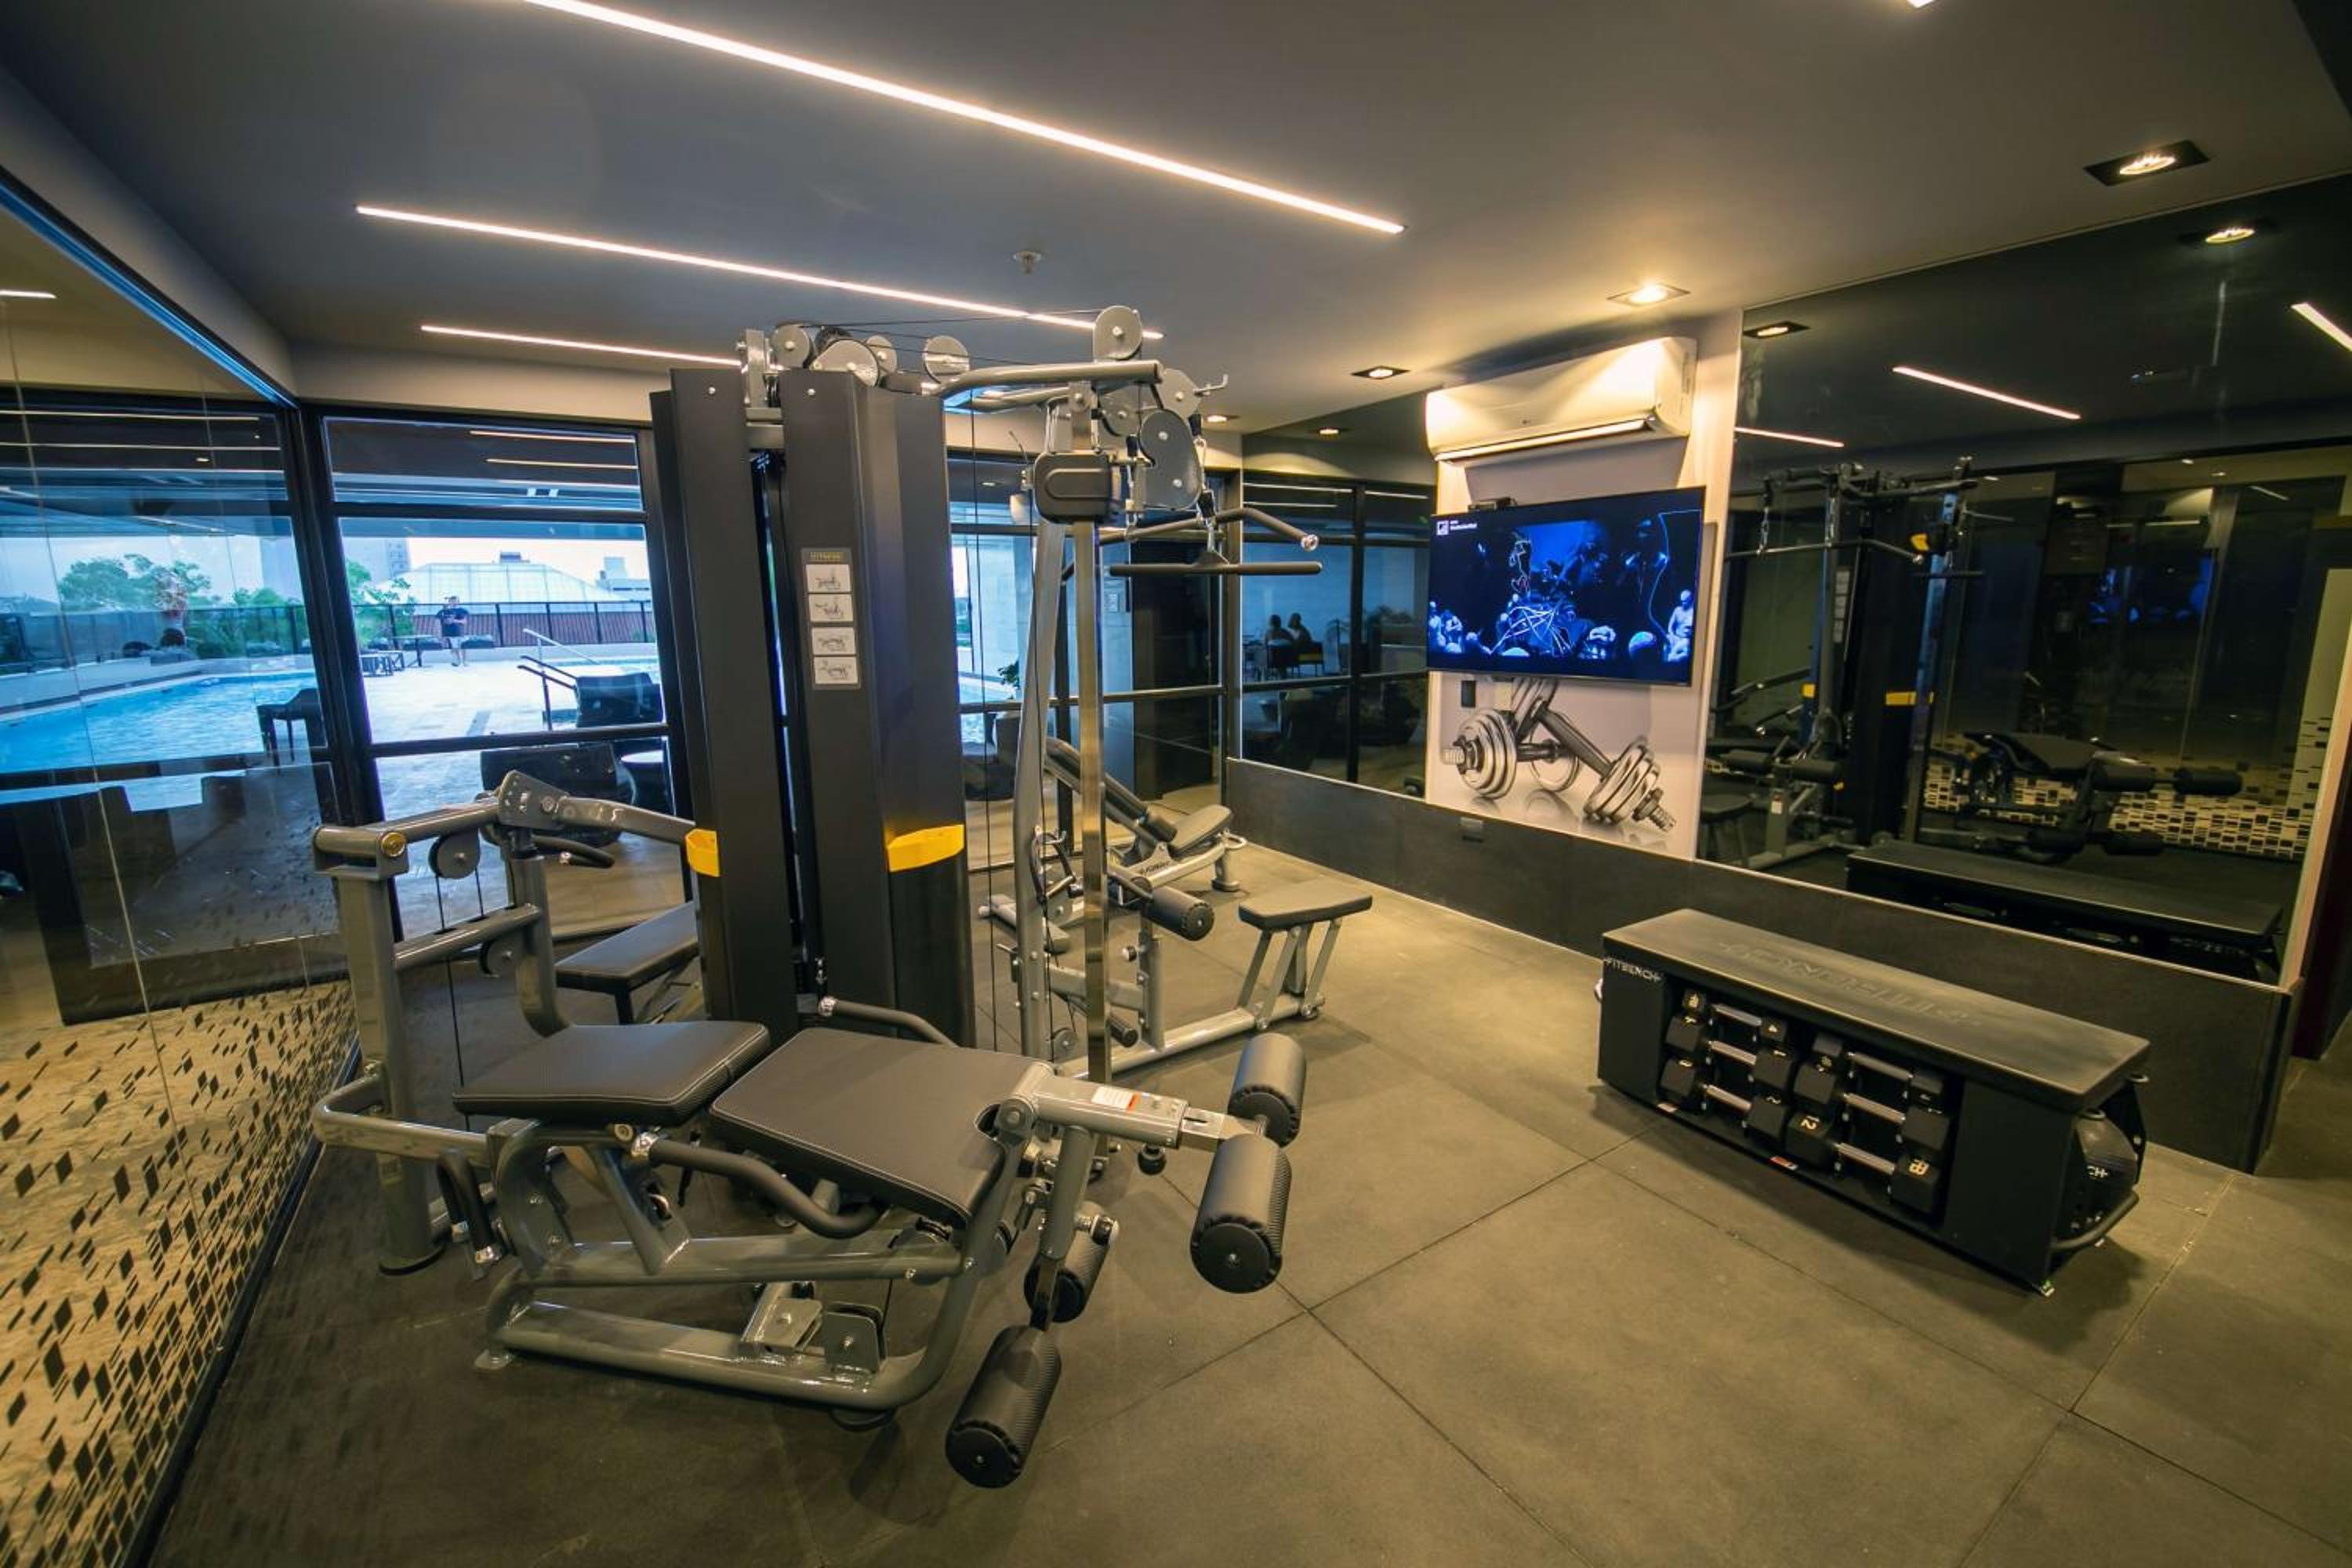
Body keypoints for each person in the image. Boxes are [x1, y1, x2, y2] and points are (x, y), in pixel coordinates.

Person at [437, 595, 471, 666]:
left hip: (460, 632)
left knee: (463, 646)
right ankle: (458, 661)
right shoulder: (444, 611)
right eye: (452, 601)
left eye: (455, 601)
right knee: (455, 647)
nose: (454, 602)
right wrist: (440, 633)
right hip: (450, 633)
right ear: (449, 602)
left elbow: (464, 621)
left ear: (458, 602)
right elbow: (439, 621)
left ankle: (465, 661)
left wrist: (454, 621)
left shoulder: (462, 610)